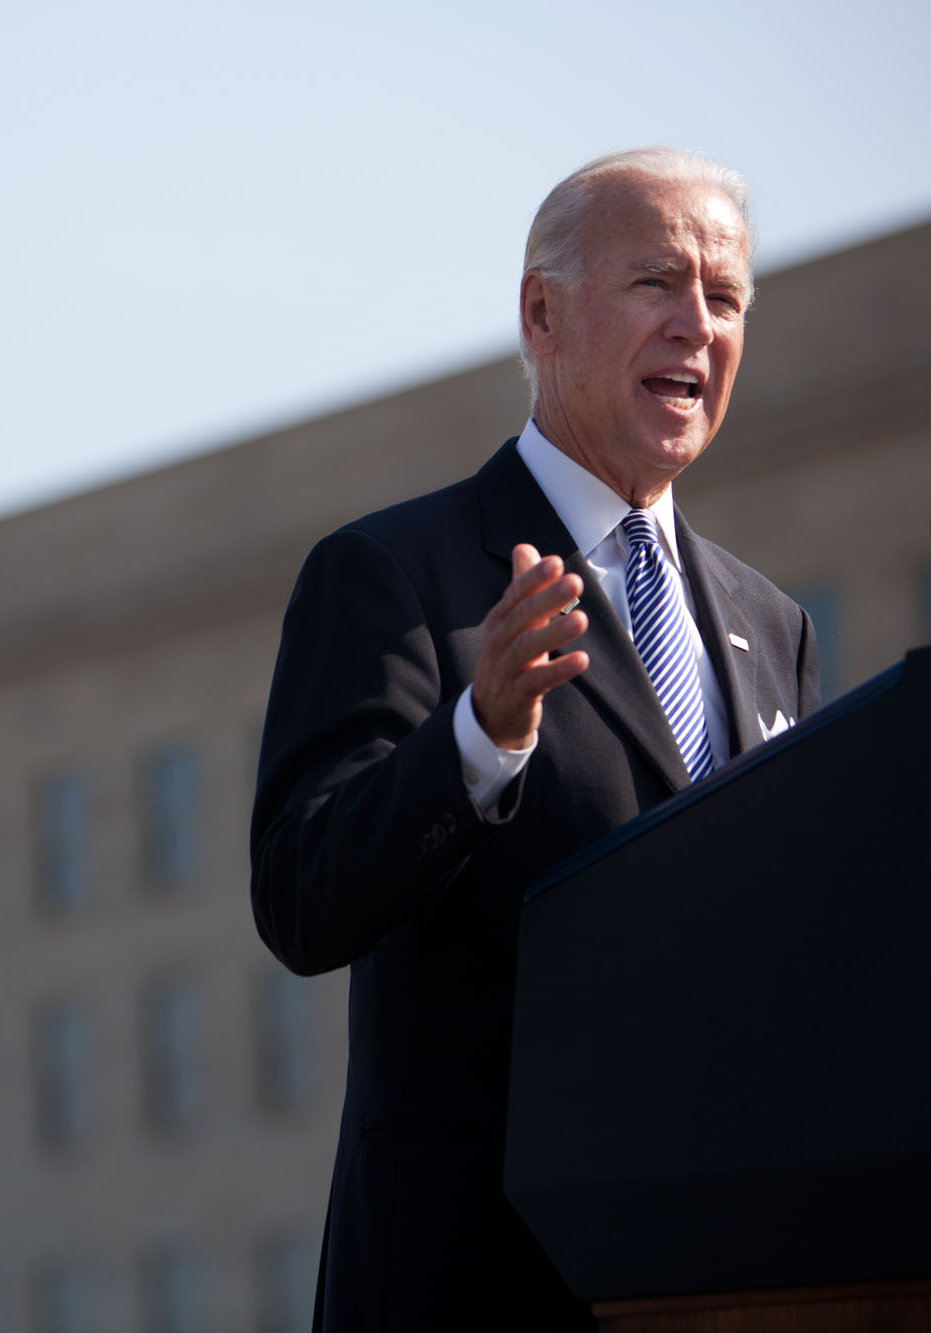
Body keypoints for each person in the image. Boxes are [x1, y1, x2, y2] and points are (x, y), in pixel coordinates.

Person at [248, 148, 822, 1330]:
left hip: (732, 1272)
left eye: (725, 300)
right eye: (657, 282)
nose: (696, 326)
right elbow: (301, 894)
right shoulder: (396, 575)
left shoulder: (775, 626)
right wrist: (478, 735)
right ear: (540, 312)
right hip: (482, 1278)